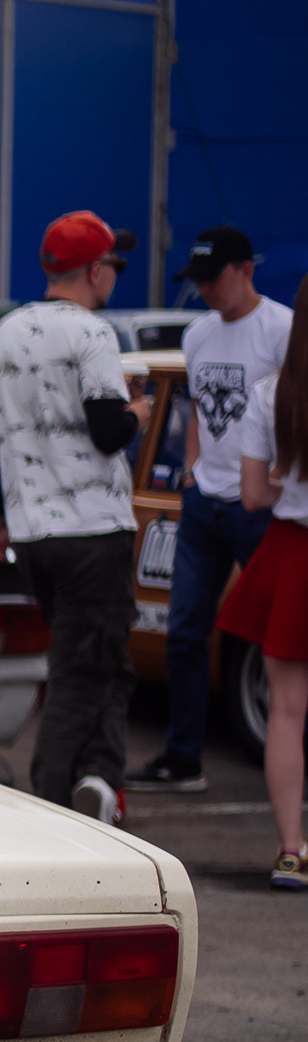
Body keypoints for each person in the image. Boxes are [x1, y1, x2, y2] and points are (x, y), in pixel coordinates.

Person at [0, 210, 153, 823]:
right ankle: (49, 804)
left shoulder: (5, 334)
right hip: (91, 530)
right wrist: (141, 411)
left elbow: (2, 439)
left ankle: (100, 786)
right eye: (114, 266)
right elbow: (109, 432)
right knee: (81, 674)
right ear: (96, 271)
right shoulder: (93, 334)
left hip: (34, 535)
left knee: (104, 663)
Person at [127, 226, 290, 793]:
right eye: (196, 280)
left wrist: (277, 479)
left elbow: (297, 409)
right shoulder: (197, 336)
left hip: (262, 507)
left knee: (284, 636)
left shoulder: (282, 328)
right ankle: (183, 756)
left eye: (213, 277)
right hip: (205, 504)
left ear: (246, 269)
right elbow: (196, 409)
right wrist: (193, 469)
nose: (204, 290)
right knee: (185, 631)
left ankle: (287, 753)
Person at [219, 278, 308, 890]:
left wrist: (289, 484)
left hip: (292, 553)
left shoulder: (274, 393)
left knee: (286, 711)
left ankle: (291, 851)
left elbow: (252, 495)